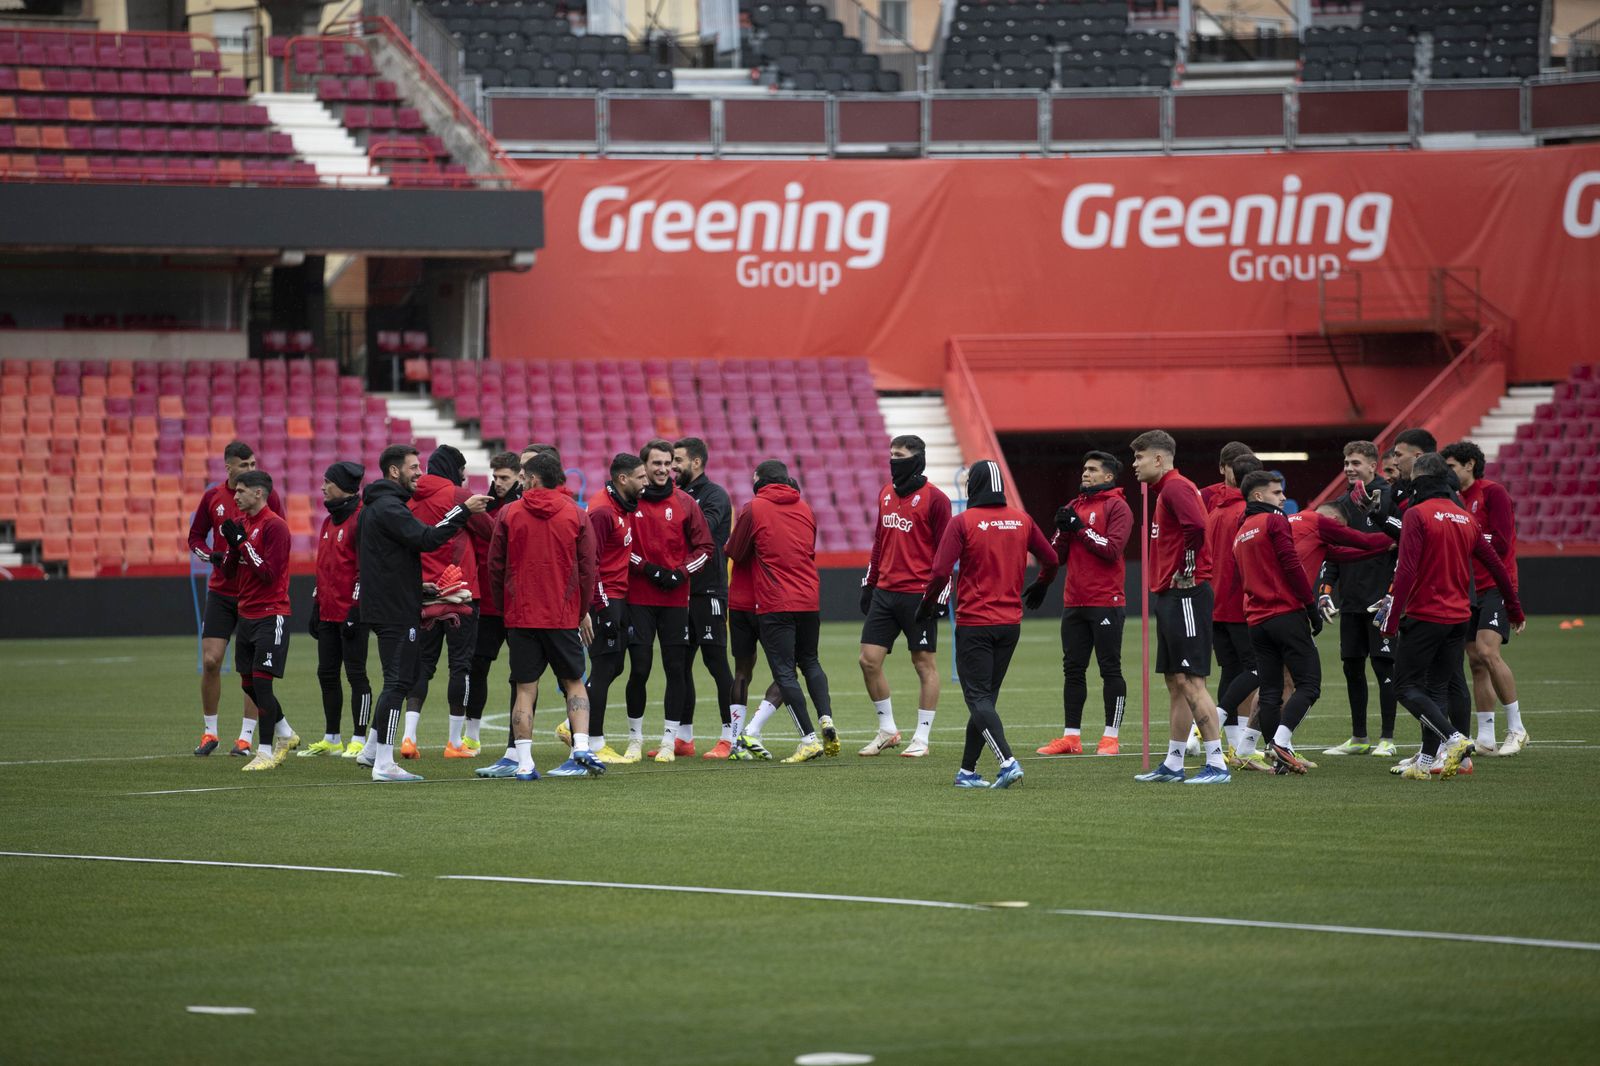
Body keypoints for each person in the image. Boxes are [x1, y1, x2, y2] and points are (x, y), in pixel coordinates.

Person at [1380, 453, 1524, 780]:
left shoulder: (1417, 515)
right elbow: (1497, 567)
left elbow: (1406, 571)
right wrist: (1514, 608)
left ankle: (1454, 738)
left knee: (1405, 686)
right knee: (1437, 689)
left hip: (1425, 614)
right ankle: (1426, 760)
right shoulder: (1465, 518)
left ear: (1418, 481)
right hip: (1459, 617)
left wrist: (1390, 618)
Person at [353, 444, 490, 783]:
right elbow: (427, 539)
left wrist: (420, 589)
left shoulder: (377, 507)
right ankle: (384, 762)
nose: (419, 472)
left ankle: (371, 749)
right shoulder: (389, 508)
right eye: (413, 467)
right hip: (394, 610)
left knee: (408, 673)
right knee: (398, 680)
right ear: (394, 471)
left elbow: (391, 560)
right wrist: (462, 511)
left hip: (394, 602)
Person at [918, 459, 1057, 789]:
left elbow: (939, 571)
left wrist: (928, 604)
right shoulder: (1021, 519)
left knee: (978, 698)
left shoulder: (963, 521)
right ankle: (967, 771)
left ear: (973, 487)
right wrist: (1041, 584)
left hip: (975, 622)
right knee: (986, 700)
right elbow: (1051, 558)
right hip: (1010, 624)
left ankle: (1006, 761)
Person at [487, 452, 603, 781]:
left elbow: (495, 566)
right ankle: (581, 746)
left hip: (521, 614)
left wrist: (505, 605)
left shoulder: (509, 513)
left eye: (524, 476)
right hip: (562, 615)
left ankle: (524, 762)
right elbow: (587, 569)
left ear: (535, 479)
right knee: (574, 682)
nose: (521, 481)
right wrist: (579, 610)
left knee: (525, 688)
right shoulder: (576, 515)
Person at [1128, 431, 1230, 784]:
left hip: (1187, 593)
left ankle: (1217, 763)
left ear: (1158, 459)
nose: (1134, 464)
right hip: (1171, 595)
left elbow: (1197, 528)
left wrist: (1187, 569)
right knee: (1175, 681)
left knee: (1191, 680)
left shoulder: (1175, 487)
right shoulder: (1165, 493)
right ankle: (1173, 763)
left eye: (1139, 457)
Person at [726, 460, 838, 764]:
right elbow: (808, 549)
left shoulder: (754, 508)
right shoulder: (806, 509)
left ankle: (756, 738)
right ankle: (824, 718)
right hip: (806, 596)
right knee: (806, 662)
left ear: (759, 480)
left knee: (755, 670)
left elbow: (734, 551)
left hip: (765, 600)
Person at [186, 440, 285, 757]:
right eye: (245, 466)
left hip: (253, 595)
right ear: (228, 467)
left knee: (252, 669)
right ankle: (209, 732)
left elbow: (275, 541)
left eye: (254, 465)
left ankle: (245, 737)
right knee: (211, 660)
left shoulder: (268, 498)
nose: (252, 471)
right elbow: (195, 537)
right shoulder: (212, 498)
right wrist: (212, 556)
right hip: (221, 590)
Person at [858, 434, 952, 758]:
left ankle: (922, 738)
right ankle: (887, 730)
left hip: (918, 594)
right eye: (891, 454)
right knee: (868, 661)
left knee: (923, 664)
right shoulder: (885, 493)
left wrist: (940, 596)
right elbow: (879, 542)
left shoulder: (936, 499)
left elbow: (946, 553)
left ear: (916, 459)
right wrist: (869, 583)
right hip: (885, 592)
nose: (893, 460)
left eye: (899, 455)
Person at [1036, 450, 1132, 756]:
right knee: (1073, 670)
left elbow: (1111, 550)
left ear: (1108, 476)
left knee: (1110, 669)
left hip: (1106, 600)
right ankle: (1071, 738)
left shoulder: (1118, 507)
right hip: (1074, 600)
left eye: (1092, 470)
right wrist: (1062, 534)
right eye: (1084, 469)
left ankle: (1111, 737)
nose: (1085, 474)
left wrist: (1078, 526)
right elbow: (1056, 555)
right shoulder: (1074, 506)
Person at [624, 439, 714, 763]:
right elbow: (620, 546)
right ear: (644, 466)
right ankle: (634, 740)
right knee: (640, 668)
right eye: (656, 464)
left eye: (667, 463)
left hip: (676, 600)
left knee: (676, 669)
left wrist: (680, 573)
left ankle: (668, 740)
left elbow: (705, 548)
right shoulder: (631, 503)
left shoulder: (687, 503)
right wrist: (647, 568)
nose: (663, 469)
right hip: (640, 598)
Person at [403, 445, 494, 759]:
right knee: (461, 667)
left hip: (424, 594)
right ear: (455, 469)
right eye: (462, 469)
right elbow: (490, 532)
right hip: (461, 594)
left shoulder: (410, 498)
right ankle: (455, 743)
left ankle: (409, 738)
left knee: (422, 667)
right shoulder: (458, 495)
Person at [1231, 470, 1324, 774]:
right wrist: (1310, 607)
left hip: (1257, 620)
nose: (1283, 497)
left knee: (1270, 692)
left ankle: (1276, 756)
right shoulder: (1274, 520)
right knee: (1309, 684)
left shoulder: (1241, 529)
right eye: (1277, 492)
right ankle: (1281, 743)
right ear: (1259, 496)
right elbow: (1291, 565)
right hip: (1285, 613)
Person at [1443, 440, 1527, 756]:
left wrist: (1468, 533)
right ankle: (1487, 737)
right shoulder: (1452, 499)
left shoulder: (1493, 493)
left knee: (1488, 652)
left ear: (1469, 465)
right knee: (1476, 663)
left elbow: (1503, 543)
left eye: (1451, 466)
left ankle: (1517, 729)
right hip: (1468, 588)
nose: (1447, 472)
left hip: (1496, 585)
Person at [1320, 440, 1401, 758]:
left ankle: (1388, 738)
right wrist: (1326, 589)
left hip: (1383, 601)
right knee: (1352, 667)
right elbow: (1331, 550)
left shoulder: (1390, 496)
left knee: (1384, 668)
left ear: (1372, 465)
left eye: (1355, 463)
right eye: (1346, 463)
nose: (1349, 468)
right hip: (1351, 601)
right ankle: (1359, 737)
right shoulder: (1343, 502)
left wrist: (1393, 592)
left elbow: (1404, 544)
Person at [218, 470, 297, 772]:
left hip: (271, 613)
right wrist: (228, 546)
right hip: (246, 613)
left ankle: (264, 751)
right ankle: (286, 733)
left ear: (258, 493)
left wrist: (243, 545)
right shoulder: (240, 525)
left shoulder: (275, 527)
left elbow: (269, 575)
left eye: (240, 491)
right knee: (248, 684)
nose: (235, 496)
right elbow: (228, 572)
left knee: (262, 684)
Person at [300, 461, 371, 759]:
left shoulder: (360, 519)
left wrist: (356, 609)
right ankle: (332, 737)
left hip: (351, 613)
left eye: (327, 482)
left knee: (356, 675)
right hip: (328, 612)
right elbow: (323, 569)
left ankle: (359, 737)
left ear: (343, 486)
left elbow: (364, 570)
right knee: (326, 674)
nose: (322, 487)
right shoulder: (328, 522)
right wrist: (317, 603)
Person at [674, 437, 739, 759]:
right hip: (680, 591)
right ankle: (683, 737)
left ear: (696, 463)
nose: (673, 466)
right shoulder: (676, 495)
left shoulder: (714, 496)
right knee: (680, 664)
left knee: (716, 663)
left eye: (678, 460)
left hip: (708, 589)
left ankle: (730, 736)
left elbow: (704, 534)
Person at [583, 453, 648, 765]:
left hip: (618, 596)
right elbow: (590, 562)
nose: (646, 481)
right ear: (624, 479)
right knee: (605, 667)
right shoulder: (601, 511)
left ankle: (576, 721)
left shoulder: (622, 508)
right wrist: (601, 604)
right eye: (641, 477)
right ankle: (594, 741)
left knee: (615, 667)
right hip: (605, 598)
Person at [462, 451, 524, 767]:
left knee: (521, 674)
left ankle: (517, 742)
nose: (498, 484)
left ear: (519, 477)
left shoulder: (524, 508)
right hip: (486, 603)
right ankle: (472, 735)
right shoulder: (482, 506)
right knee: (478, 666)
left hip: (516, 604)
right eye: (496, 477)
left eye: (505, 478)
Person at [1202, 452, 1261, 755]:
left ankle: (1235, 744)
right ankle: (1210, 720)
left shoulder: (1215, 509)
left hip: (1215, 601)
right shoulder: (1244, 513)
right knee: (1257, 668)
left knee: (1231, 669)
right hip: (1241, 602)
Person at [1201, 441, 1255, 513]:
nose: (1239, 470)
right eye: (1233, 466)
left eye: (1244, 466)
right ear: (1222, 469)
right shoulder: (1206, 495)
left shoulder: (1260, 495)